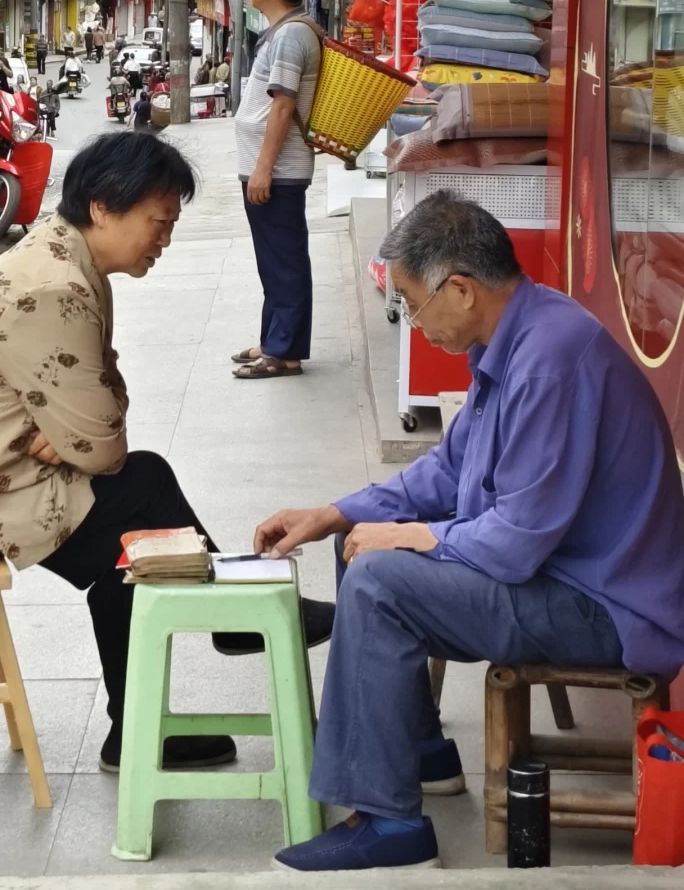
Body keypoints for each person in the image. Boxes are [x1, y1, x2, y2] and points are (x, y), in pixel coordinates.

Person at [0, 134, 334, 772]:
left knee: (134, 531)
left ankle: (143, 721)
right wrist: (73, 436)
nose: (164, 238)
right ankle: (208, 639)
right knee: (137, 494)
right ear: (103, 208)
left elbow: (102, 405)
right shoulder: (55, 286)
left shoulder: (69, 260)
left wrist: (72, 432)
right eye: (158, 221)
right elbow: (104, 443)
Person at [255, 190, 684, 874]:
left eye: (411, 303)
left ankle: (389, 821)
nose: (412, 321)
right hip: (562, 575)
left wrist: (413, 541)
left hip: (608, 608)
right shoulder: (516, 336)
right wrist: (334, 513)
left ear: (459, 289)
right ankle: (417, 747)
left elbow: (516, 540)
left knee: (378, 579)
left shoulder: (551, 357)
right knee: (360, 537)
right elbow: (450, 470)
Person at [232, 0, 321, 381]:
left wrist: (264, 168)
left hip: (279, 172)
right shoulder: (283, 32)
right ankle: (274, 339)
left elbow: (283, 107)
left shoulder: (290, 37)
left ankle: (285, 352)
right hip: (272, 169)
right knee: (274, 261)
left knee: (284, 261)